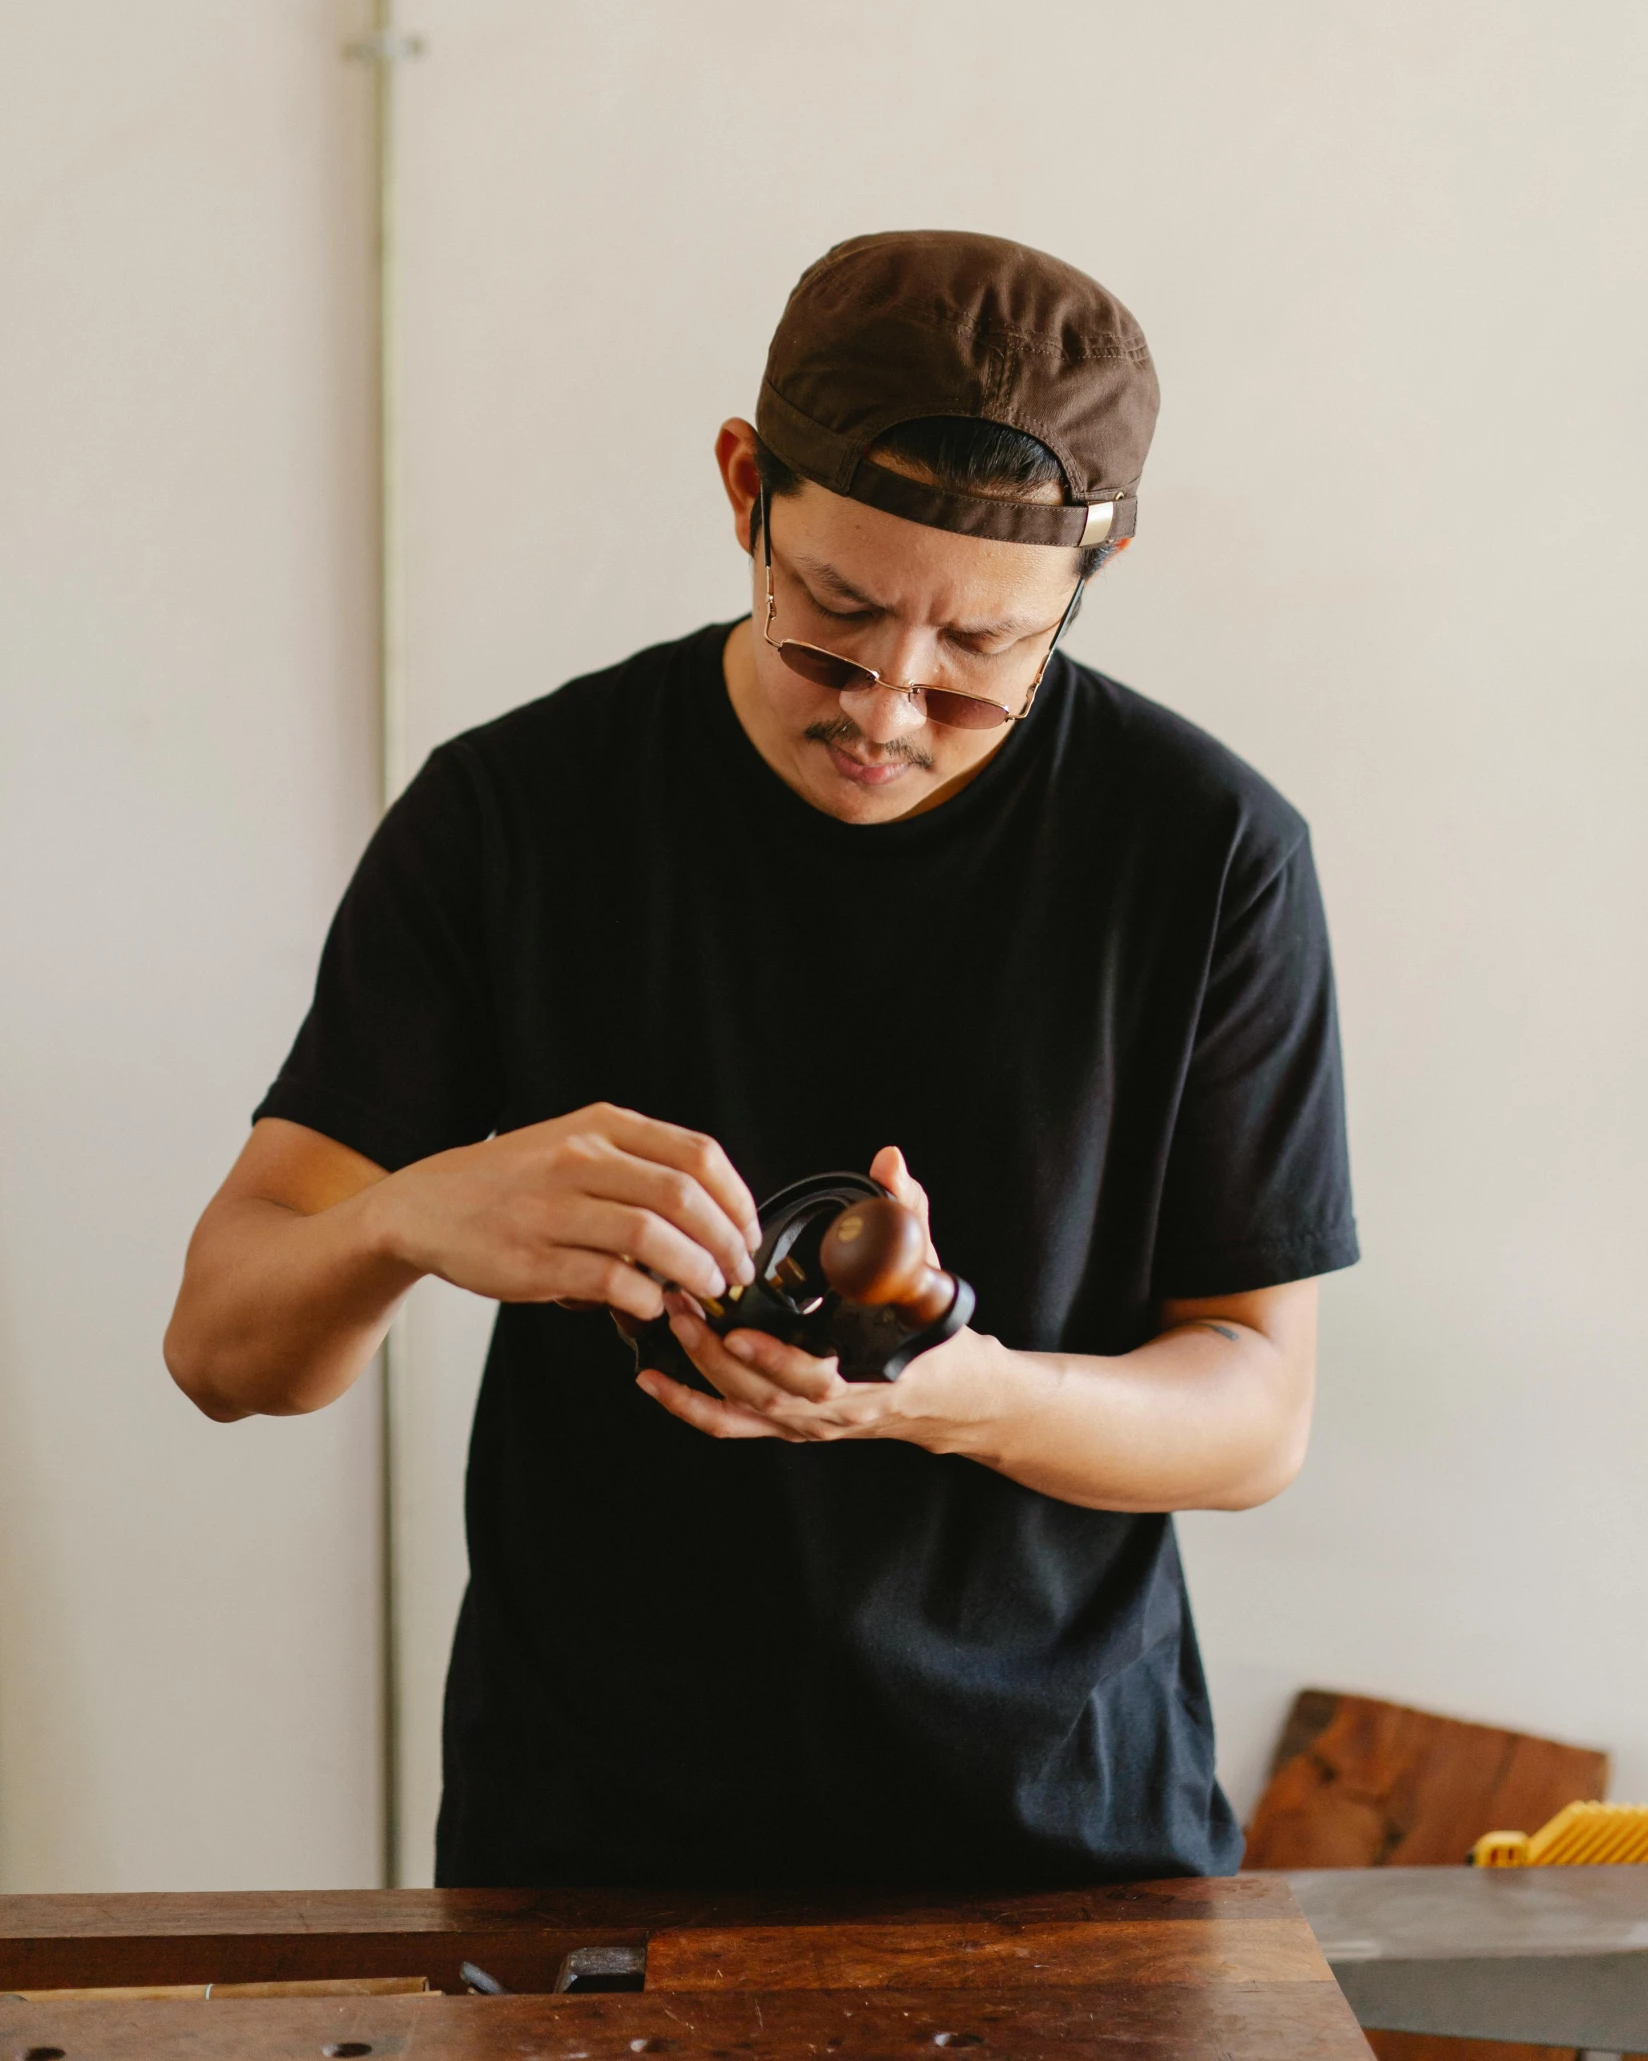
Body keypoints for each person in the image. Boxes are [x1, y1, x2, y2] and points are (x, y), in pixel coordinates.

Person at [166, 229, 1357, 1888]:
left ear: (1098, 575)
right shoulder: (518, 814)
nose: (886, 706)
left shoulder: (1208, 852)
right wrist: (411, 1216)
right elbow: (226, 1348)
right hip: (590, 1843)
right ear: (746, 487)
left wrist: (956, 1401)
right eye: (838, 616)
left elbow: (1255, 1412)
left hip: (1064, 1852)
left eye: (981, 657)